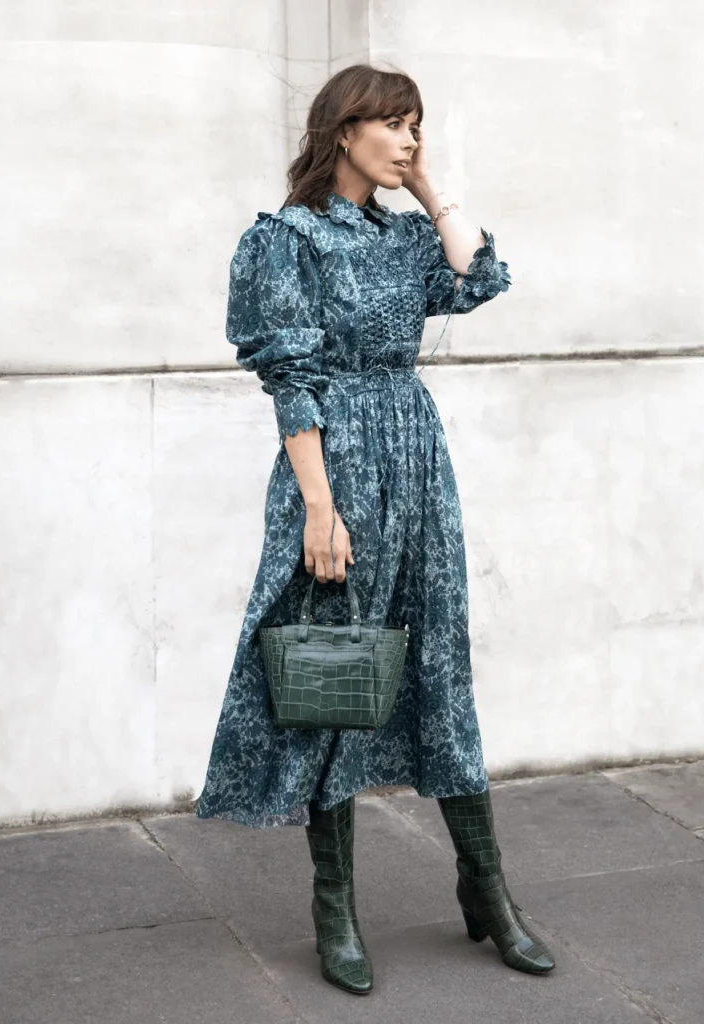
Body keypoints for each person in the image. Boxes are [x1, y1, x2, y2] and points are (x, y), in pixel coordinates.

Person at [195, 64, 556, 993]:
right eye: (393, 127)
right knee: (335, 671)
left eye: (415, 127)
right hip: (337, 465)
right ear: (342, 131)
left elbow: (482, 275)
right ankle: (334, 906)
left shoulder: (402, 238)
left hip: (416, 458)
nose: (407, 141)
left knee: (441, 659)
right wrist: (319, 504)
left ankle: (487, 890)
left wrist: (431, 189)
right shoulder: (283, 240)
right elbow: (289, 377)